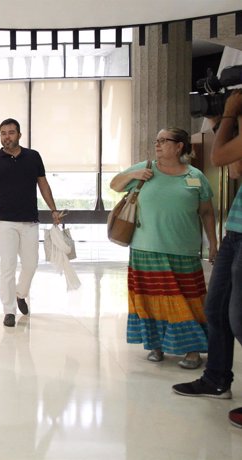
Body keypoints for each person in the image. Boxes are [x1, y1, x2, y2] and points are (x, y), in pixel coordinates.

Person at [110, 127, 217, 368]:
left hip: (184, 250)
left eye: (163, 141)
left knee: (187, 301)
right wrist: (134, 174)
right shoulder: (145, 168)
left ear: (179, 146)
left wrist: (213, 243)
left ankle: (191, 349)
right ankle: (156, 345)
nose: (157, 145)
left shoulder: (195, 176)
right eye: (156, 140)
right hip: (145, 248)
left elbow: (207, 212)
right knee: (151, 300)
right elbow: (115, 185)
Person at [173, 91, 242, 429]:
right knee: (215, 309)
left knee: (239, 317)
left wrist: (229, 114)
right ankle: (216, 379)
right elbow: (234, 171)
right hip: (236, 230)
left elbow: (217, 156)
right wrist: (222, 120)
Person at [0, 118, 62, 328]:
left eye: (11, 132)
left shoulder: (33, 157)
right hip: (4, 220)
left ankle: (20, 294)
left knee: (31, 264)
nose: (7, 136)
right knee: (8, 265)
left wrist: (53, 209)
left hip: (30, 220)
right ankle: (8, 311)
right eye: (3, 133)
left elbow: (43, 185)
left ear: (19, 135)